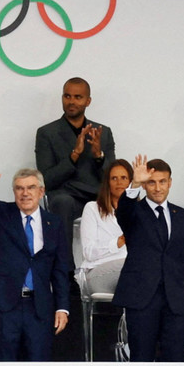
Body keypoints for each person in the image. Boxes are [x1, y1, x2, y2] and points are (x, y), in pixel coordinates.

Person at [0, 159, 69, 361]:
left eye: (31, 188)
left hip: (40, 307)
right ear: (14, 192)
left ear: (41, 192)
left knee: (38, 362)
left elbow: (60, 269)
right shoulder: (2, 213)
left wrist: (62, 307)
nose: (25, 193)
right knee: (2, 362)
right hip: (5, 305)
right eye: (19, 188)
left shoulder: (54, 223)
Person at [113, 155, 184, 362]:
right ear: (145, 185)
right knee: (141, 359)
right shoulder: (134, 212)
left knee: (175, 361)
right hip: (142, 300)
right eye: (151, 182)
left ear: (170, 182)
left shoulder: (183, 216)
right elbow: (123, 212)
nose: (157, 188)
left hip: (176, 301)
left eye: (162, 181)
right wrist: (134, 183)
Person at [35, 77, 116, 270]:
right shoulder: (47, 132)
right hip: (66, 197)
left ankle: (115, 270)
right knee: (63, 202)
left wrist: (98, 155)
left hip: (97, 198)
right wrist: (75, 155)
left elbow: (113, 179)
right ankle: (66, 271)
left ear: (88, 101)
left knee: (128, 202)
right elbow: (46, 180)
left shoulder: (103, 132)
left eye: (78, 97)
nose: (72, 101)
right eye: (67, 96)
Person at [79, 159, 131, 294]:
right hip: (97, 273)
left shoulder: (139, 210)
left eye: (124, 178)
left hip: (131, 273)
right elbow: (88, 252)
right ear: (107, 183)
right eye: (114, 178)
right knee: (136, 265)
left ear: (131, 181)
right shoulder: (92, 208)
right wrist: (118, 242)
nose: (119, 182)